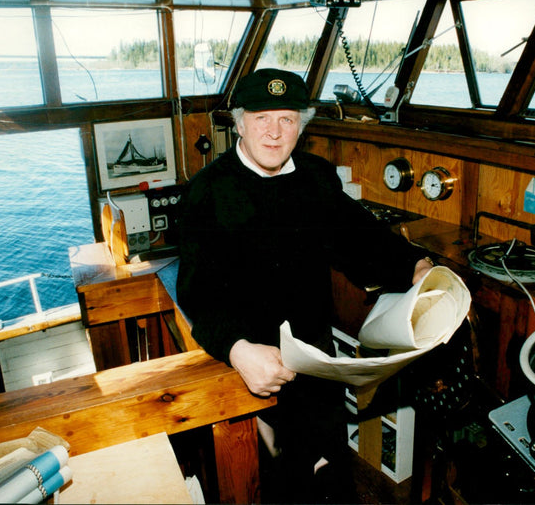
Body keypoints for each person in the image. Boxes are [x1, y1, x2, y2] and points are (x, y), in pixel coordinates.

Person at [177, 68, 433, 503]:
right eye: (261, 118)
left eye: (287, 119)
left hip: (315, 361)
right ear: (238, 122)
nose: (274, 133)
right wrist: (238, 349)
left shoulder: (317, 177)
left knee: (331, 476)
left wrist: (415, 266)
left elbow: (359, 236)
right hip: (246, 363)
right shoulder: (207, 192)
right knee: (267, 485)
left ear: (302, 125)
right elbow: (198, 293)